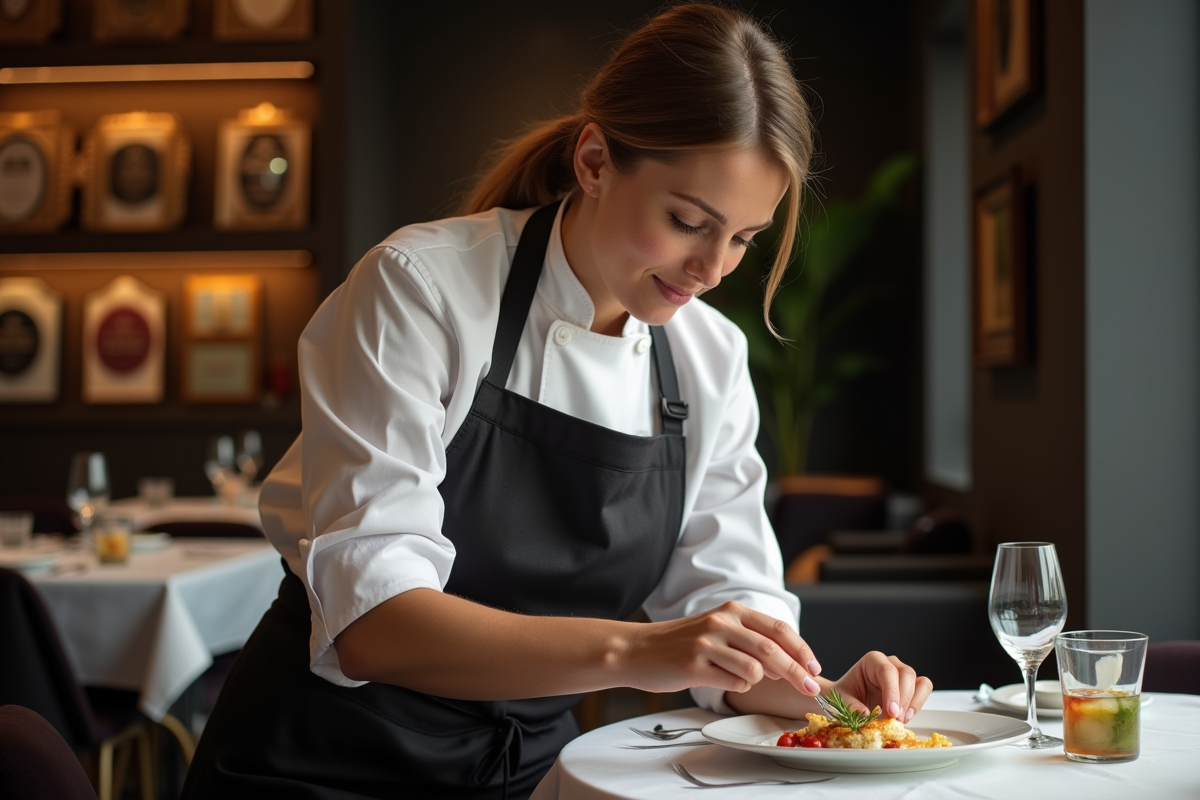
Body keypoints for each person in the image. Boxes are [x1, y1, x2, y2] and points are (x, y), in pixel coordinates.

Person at [183, 5, 932, 798]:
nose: (713, 268)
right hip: (318, 767)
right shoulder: (420, 290)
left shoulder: (710, 357)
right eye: (687, 221)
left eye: (745, 237)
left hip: (533, 775)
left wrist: (830, 699)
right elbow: (374, 626)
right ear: (596, 161)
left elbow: (727, 617)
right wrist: (642, 652)